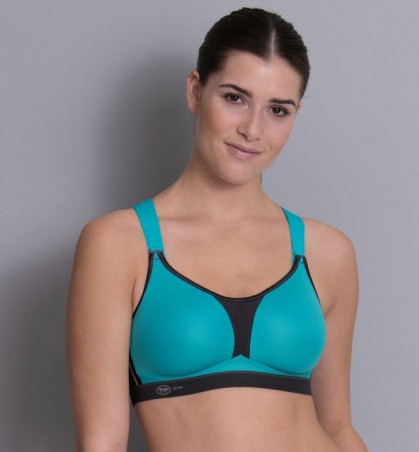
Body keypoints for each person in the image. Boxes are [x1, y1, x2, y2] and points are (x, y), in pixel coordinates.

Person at [66, 7, 367, 451]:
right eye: (234, 98)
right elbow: (102, 443)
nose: (252, 129)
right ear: (195, 91)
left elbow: (338, 425)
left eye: (277, 110)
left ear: (295, 115)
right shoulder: (118, 244)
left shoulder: (327, 252)